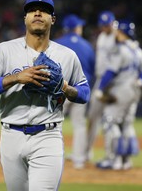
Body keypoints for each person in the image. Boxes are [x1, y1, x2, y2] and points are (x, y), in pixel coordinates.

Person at [0, 0, 90, 191]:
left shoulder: (67, 55)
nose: (38, 13)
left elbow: (84, 93)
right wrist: (16, 78)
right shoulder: (3, 50)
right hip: (11, 135)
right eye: (32, 10)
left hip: (48, 135)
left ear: (52, 19)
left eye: (44, 10)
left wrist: (65, 88)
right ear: (25, 18)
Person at [94, 19, 142, 170]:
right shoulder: (138, 50)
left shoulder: (120, 50)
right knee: (126, 124)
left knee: (110, 122)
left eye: (118, 31)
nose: (116, 33)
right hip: (135, 90)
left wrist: (100, 88)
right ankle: (126, 161)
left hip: (121, 90)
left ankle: (114, 159)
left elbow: (110, 71)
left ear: (122, 33)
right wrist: (140, 81)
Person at [54, 14, 95, 169]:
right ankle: (79, 159)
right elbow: (92, 70)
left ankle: (54, 156)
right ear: (77, 28)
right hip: (79, 89)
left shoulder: (57, 44)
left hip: (60, 89)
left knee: (53, 122)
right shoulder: (87, 45)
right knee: (79, 124)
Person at [85, 11, 116, 162]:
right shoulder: (102, 37)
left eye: (107, 24)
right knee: (92, 117)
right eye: (102, 25)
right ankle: (86, 152)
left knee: (110, 119)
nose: (104, 27)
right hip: (100, 81)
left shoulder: (117, 37)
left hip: (113, 83)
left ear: (112, 23)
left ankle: (111, 155)